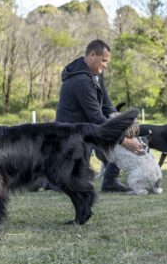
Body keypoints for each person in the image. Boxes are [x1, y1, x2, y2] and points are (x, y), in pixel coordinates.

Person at [56, 39, 144, 192]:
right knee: (68, 183)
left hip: (88, 131)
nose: (105, 65)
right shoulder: (81, 81)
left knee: (119, 132)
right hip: (71, 138)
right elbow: (97, 118)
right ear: (92, 55)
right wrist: (124, 141)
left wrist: (123, 124)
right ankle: (45, 179)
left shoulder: (95, 76)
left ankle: (110, 180)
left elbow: (107, 106)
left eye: (107, 61)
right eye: (103, 60)